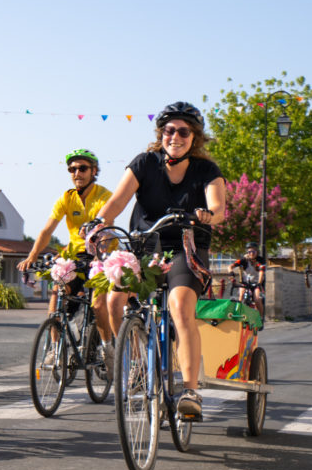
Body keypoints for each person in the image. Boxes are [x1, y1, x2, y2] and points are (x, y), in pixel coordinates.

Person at [91, 102, 226, 421]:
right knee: (114, 299)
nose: (175, 136)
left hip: (186, 247)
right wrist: (98, 223)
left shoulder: (206, 170)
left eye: (183, 131)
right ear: (161, 134)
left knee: (180, 307)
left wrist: (208, 215)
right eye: (169, 130)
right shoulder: (144, 163)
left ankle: (190, 392)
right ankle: (137, 363)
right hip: (147, 246)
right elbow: (117, 202)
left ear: (194, 137)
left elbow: (219, 207)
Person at [17, 149, 115, 368]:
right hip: (76, 255)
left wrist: (100, 254)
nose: (76, 173)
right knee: (58, 293)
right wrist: (32, 256)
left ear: (94, 171)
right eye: (72, 169)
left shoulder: (104, 196)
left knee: (98, 305)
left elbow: (107, 228)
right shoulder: (66, 198)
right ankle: (56, 349)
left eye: (82, 168)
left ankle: (108, 347)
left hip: (101, 254)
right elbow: (47, 230)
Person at [229, 241, 265, 319]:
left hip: (256, 283)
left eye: (253, 251)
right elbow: (231, 266)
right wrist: (231, 273)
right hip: (245, 283)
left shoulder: (260, 260)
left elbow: (261, 272)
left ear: (257, 252)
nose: (251, 253)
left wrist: (259, 283)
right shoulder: (244, 260)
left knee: (257, 299)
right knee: (241, 295)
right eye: (249, 252)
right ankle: (237, 314)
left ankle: (261, 317)